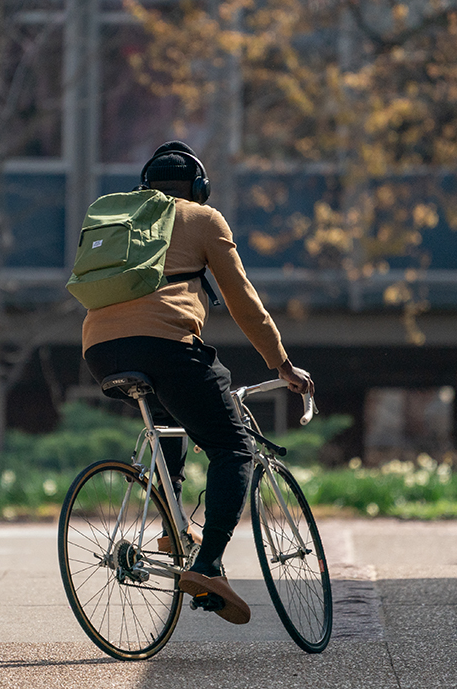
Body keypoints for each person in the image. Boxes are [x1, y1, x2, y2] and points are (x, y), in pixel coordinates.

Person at [81, 140, 314, 626]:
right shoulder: (203, 219)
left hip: (100, 351)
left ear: (145, 187)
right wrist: (282, 364)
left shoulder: (122, 220)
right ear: (199, 188)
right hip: (166, 346)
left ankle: (171, 531)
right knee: (233, 448)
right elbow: (244, 302)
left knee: (172, 418)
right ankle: (207, 567)